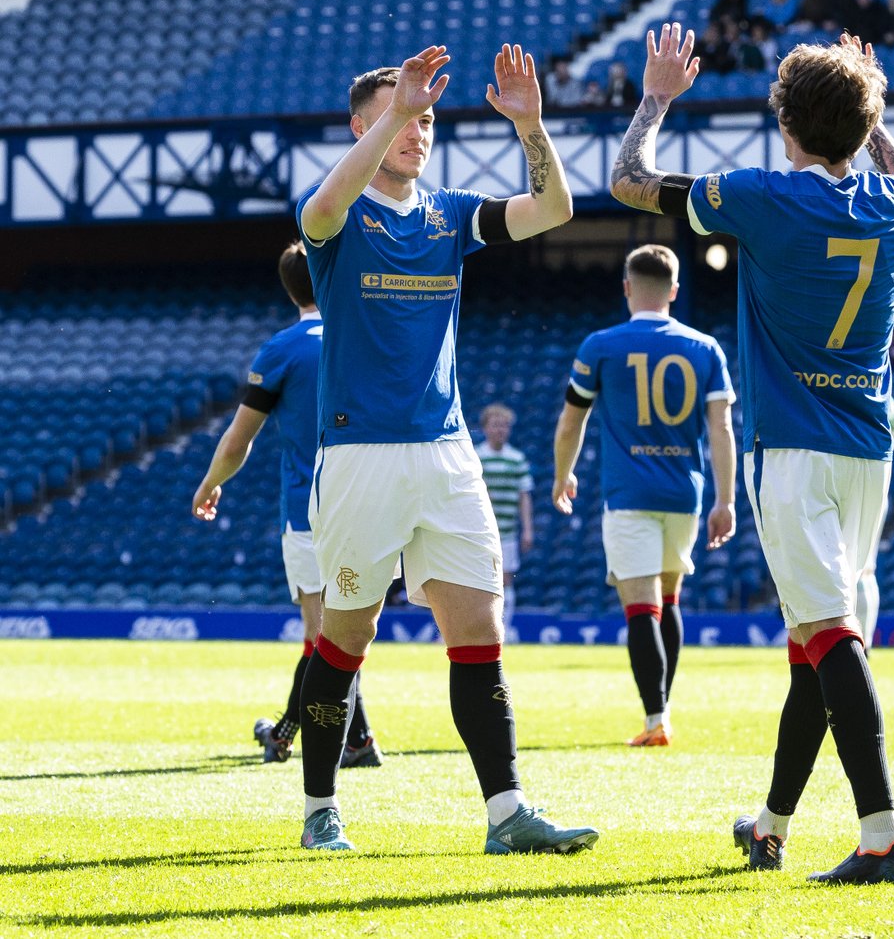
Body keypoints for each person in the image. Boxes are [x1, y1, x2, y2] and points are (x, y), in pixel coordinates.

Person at [609, 22, 894, 882]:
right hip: (868, 449)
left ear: (785, 124)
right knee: (813, 642)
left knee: (829, 637)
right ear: (864, 131)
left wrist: (658, 97)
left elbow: (628, 179)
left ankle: (881, 838)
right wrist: (872, 111)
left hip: (793, 451)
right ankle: (771, 825)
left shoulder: (763, 196)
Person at [293, 44, 598, 854]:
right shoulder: (334, 214)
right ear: (363, 126)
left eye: (427, 119)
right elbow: (317, 215)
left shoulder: (451, 214)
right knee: (346, 638)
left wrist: (532, 127)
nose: (417, 131)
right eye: (400, 117)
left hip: (448, 454)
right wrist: (397, 104)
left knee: (480, 632)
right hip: (361, 458)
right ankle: (321, 808)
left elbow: (553, 210)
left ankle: (507, 814)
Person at [192, 244, 381, 770]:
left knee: (323, 635)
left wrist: (210, 483)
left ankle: (334, 738)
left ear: (290, 289)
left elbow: (237, 442)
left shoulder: (282, 350)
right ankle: (329, 736)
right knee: (344, 629)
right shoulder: (362, 338)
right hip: (368, 505)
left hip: (307, 509)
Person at [552, 245, 737, 747]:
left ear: (628, 288)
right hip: (685, 493)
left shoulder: (600, 345)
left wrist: (562, 475)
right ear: (674, 291)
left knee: (641, 608)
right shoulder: (706, 348)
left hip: (628, 493)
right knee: (669, 598)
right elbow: (721, 426)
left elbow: (573, 419)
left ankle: (656, 720)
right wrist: (726, 499)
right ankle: (662, 712)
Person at [856, 398, 894, 652]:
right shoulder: (880, 393)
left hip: (859, 485)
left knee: (861, 570)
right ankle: (859, 643)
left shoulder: (878, 395)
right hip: (866, 483)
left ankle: (862, 644)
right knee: (859, 569)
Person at [475, 404, 534, 601]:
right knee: (477, 579)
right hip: (479, 531)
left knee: (505, 579)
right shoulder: (476, 457)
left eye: (504, 425)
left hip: (506, 531)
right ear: (485, 428)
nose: (500, 430)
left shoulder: (517, 459)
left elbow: (524, 496)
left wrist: (527, 529)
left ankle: (504, 628)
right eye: (495, 425)